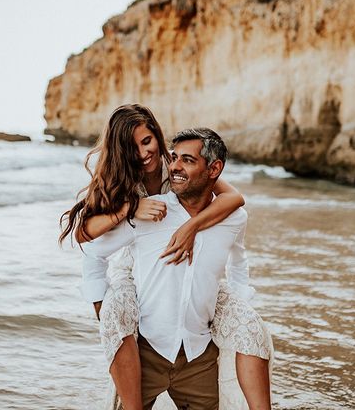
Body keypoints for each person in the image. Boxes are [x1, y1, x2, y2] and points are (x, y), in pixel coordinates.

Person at [60, 105, 271, 409]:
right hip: (132, 269)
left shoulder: (172, 164)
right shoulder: (117, 180)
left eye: (147, 141)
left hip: (183, 260)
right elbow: (87, 239)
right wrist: (130, 209)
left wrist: (190, 227)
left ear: (157, 137)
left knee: (250, 325)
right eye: (132, 147)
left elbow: (234, 199)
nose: (143, 153)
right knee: (115, 315)